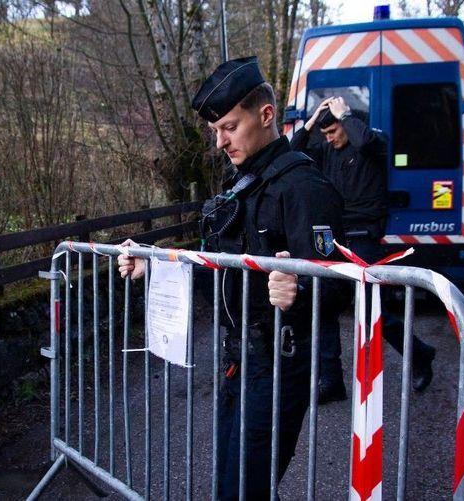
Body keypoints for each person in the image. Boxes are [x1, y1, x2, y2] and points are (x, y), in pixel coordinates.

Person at [117, 56, 346, 499]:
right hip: (236, 359)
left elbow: (340, 284)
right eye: (215, 132)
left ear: (265, 115)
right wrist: (153, 267)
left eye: (229, 127)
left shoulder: (303, 187)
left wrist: (299, 289)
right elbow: (216, 274)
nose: (220, 141)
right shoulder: (242, 183)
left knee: (245, 488)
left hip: (279, 363)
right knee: (230, 482)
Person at [290, 96, 436, 403]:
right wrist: (312, 121)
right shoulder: (326, 150)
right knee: (323, 304)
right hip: (333, 236)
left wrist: (346, 116)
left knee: (371, 308)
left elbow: (369, 142)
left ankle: (420, 354)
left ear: (346, 124)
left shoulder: (369, 143)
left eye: (334, 131)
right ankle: (331, 380)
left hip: (363, 236)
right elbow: (293, 152)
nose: (329, 138)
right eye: (325, 133)